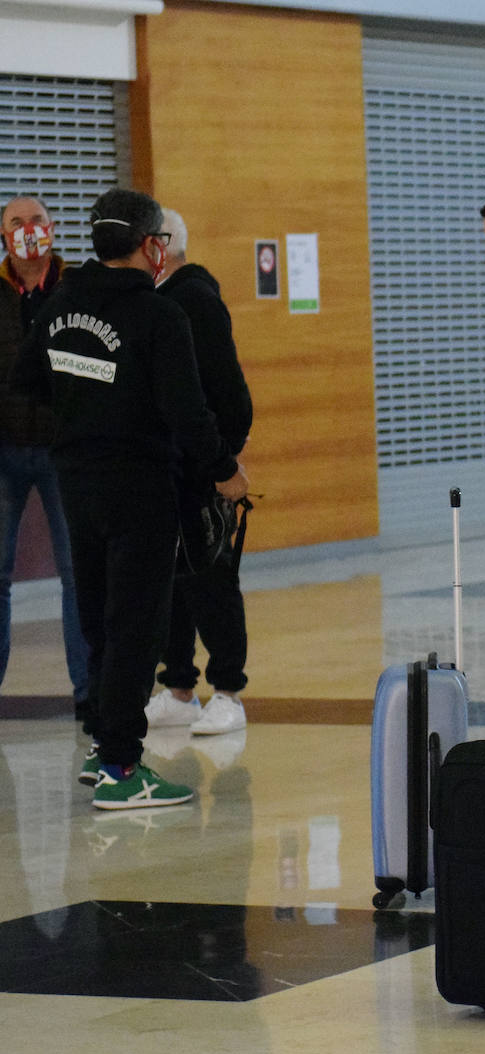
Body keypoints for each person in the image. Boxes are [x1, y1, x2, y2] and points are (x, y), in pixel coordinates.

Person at [11, 188, 248, 810]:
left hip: (76, 483)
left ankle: (102, 745)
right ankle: (121, 766)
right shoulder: (157, 315)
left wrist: (85, 397)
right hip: (139, 488)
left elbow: (27, 379)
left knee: (97, 617)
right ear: (150, 244)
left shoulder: (62, 302)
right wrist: (225, 471)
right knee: (136, 625)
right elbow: (187, 412)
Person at [142, 208, 254, 736]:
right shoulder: (155, 302)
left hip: (200, 469)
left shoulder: (196, 303)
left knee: (212, 578)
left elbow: (231, 396)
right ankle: (179, 686)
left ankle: (228, 689)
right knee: (173, 583)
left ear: (161, 245)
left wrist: (221, 463)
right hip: (163, 470)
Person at [0, 195, 90, 720]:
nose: (28, 230)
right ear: (3, 237)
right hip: (5, 450)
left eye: (37, 221)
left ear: (52, 230)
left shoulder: (77, 287)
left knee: (78, 572)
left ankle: (88, 692)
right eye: (17, 223)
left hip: (65, 451)